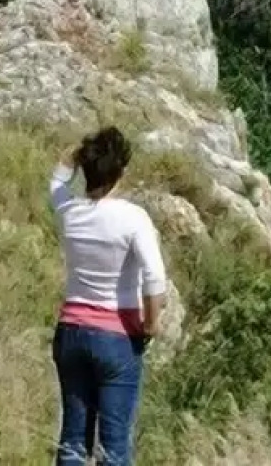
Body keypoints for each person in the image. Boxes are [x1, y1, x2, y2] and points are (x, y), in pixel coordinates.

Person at [48, 126, 169, 466]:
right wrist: (151, 323)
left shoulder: (71, 212)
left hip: (71, 332)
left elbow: (56, 183)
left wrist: (78, 152)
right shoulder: (133, 218)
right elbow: (154, 276)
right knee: (114, 448)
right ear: (121, 171)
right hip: (117, 338)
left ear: (87, 167)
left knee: (72, 440)